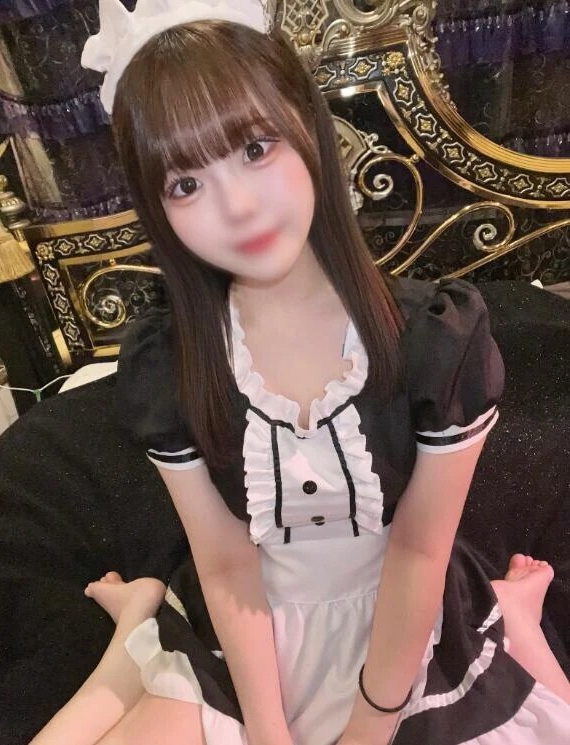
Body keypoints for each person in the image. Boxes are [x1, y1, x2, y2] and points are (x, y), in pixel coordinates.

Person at [31, 1, 570, 744]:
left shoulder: (439, 342)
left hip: (405, 627)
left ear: (309, 128)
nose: (238, 206)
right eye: (186, 184)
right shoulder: (168, 365)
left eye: (255, 148)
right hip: (247, 631)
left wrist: (369, 725)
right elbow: (225, 562)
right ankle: (140, 621)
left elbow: (419, 548)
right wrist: (268, 730)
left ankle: (517, 618)